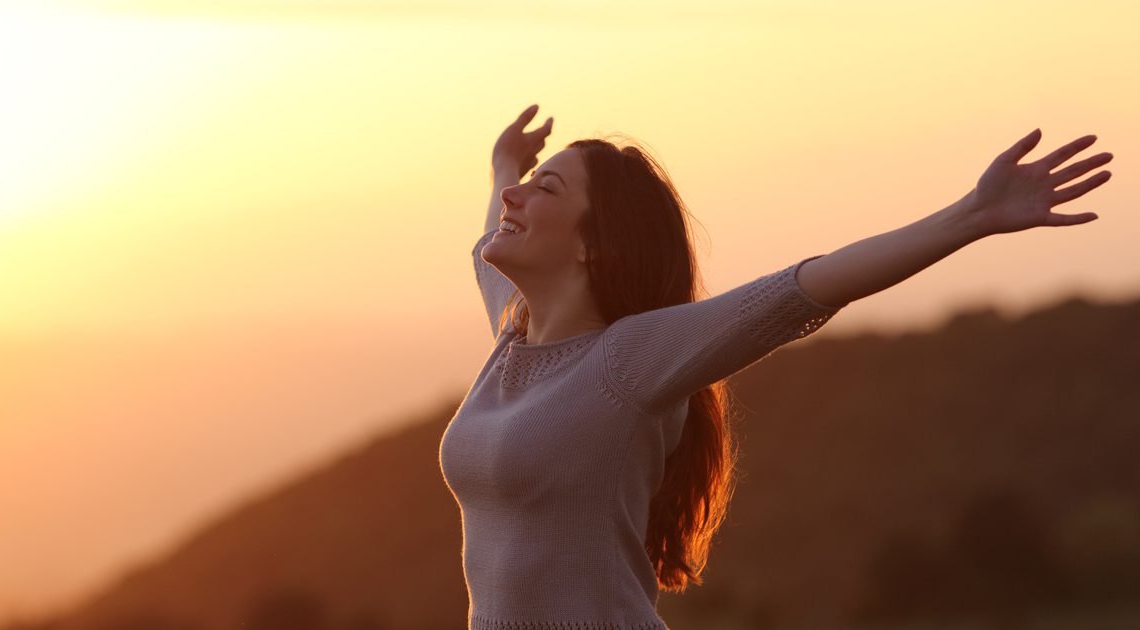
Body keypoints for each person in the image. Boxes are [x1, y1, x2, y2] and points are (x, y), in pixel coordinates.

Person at [438, 104, 1112, 629]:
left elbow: (801, 290)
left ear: (592, 244)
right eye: (519, 188)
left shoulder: (627, 361)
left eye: (543, 189)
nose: (514, 198)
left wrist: (973, 214)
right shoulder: (513, 333)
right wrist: (505, 165)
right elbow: (485, 240)